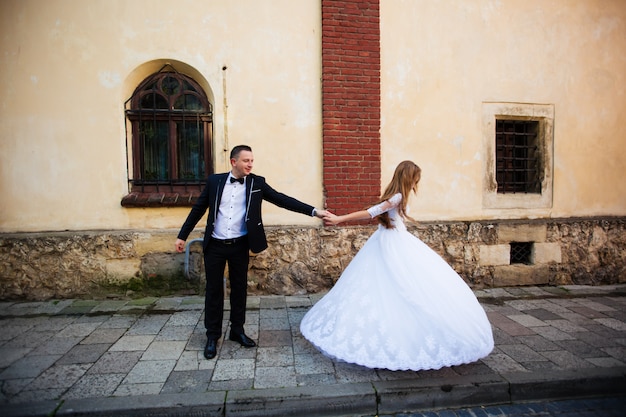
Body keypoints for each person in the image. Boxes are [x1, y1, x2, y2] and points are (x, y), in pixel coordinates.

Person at [300, 161, 494, 371]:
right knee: (399, 282)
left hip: (393, 239)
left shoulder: (398, 195)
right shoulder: (398, 197)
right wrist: (340, 219)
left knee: (391, 281)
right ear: (409, 177)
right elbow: (370, 212)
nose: (417, 182)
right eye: (416, 178)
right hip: (392, 242)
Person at [175, 145, 329, 359]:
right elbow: (198, 209)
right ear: (233, 162)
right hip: (215, 246)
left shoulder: (257, 183)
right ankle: (212, 336)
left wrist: (314, 211)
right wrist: (182, 235)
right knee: (213, 291)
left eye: (252, 161)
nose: (250, 164)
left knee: (240, 290)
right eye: (246, 160)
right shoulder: (214, 182)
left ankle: (237, 330)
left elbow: (282, 200)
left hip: (239, 245)